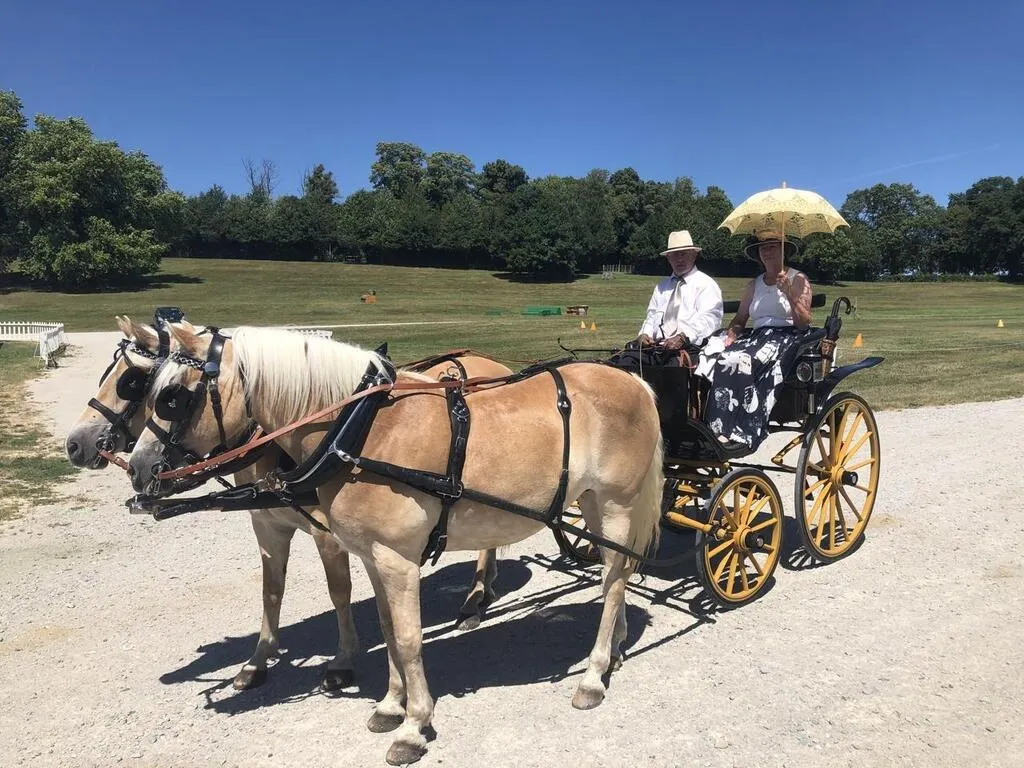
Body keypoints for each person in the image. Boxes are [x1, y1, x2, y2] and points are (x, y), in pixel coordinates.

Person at [701, 232, 813, 449]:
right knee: (721, 357)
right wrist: (731, 334)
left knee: (743, 361)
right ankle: (717, 426)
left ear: (783, 250)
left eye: (772, 247)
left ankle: (745, 428)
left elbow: (803, 322)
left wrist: (789, 292)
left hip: (787, 336)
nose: (767, 252)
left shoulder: (799, 279)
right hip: (758, 336)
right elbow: (740, 318)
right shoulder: (754, 285)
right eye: (763, 248)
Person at [616, 230, 723, 372]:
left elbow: (710, 319)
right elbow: (651, 316)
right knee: (624, 363)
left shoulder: (706, 285)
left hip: (689, 348)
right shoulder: (662, 287)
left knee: (670, 372)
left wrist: (683, 337)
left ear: (694, 255)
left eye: (684, 254)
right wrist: (644, 334)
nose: (679, 259)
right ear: (668, 258)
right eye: (674, 255)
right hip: (657, 348)